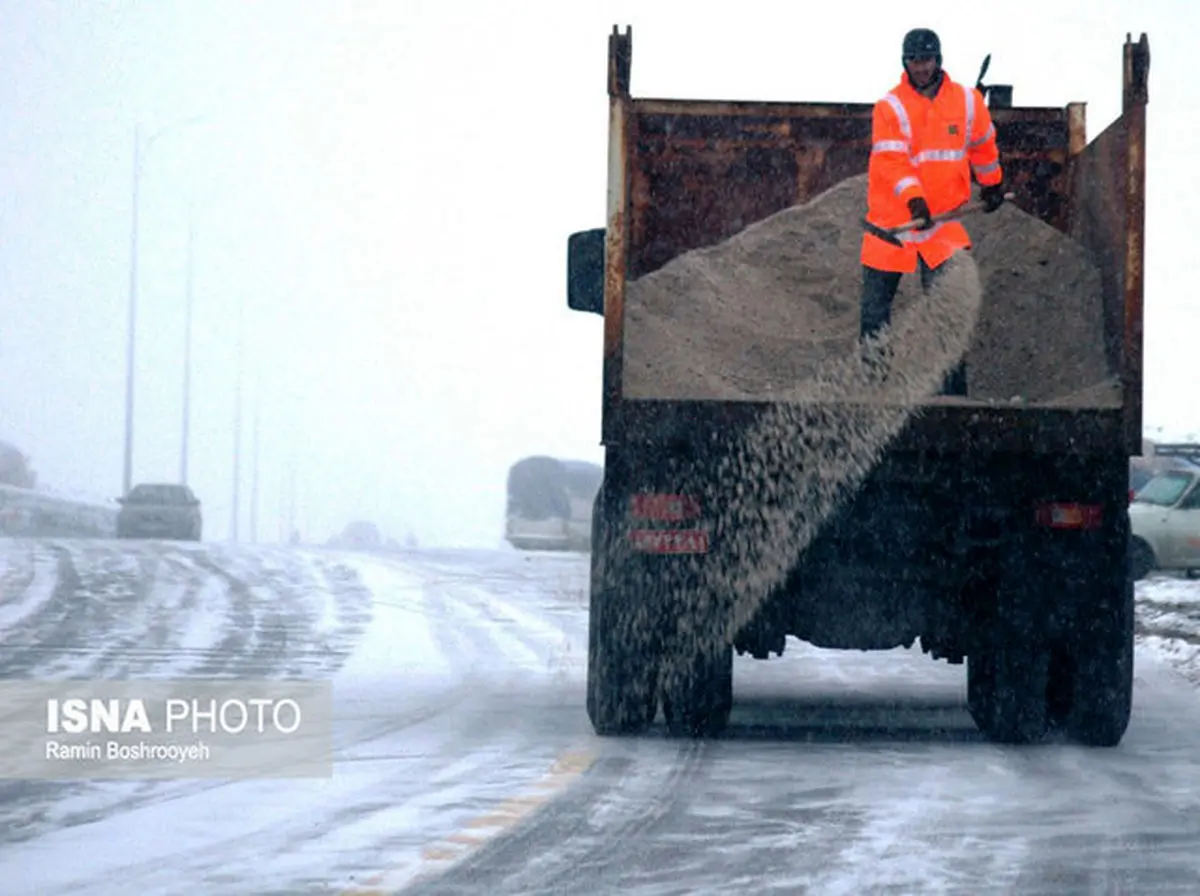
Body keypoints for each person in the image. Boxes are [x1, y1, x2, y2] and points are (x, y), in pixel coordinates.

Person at [860, 27, 1006, 395]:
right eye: (913, 61)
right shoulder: (890, 107)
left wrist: (992, 184)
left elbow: (983, 147)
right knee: (875, 315)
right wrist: (913, 198)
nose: (920, 67)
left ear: (938, 60)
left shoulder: (968, 102)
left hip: (943, 223)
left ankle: (953, 395)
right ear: (904, 63)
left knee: (948, 310)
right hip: (892, 223)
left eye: (926, 60)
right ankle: (871, 390)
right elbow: (891, 161)